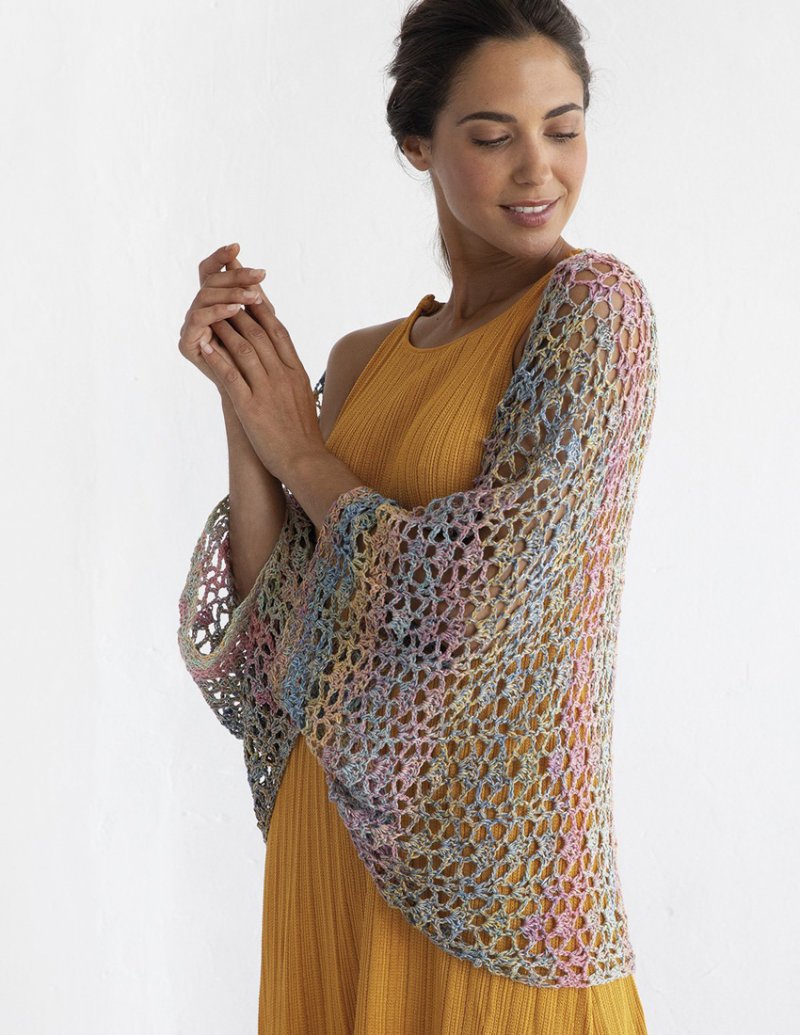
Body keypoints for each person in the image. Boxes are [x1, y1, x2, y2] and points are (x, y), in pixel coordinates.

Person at [177, 1, 656, 1032]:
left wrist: (300, 452)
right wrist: (246, 400)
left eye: (562, 129)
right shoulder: (361, 360)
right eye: (492, 136)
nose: (537, 169)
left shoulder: (592, 312)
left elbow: (475, 593)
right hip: (327, 849)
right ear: (417, 144)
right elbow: (276, 630)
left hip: (502, 890)